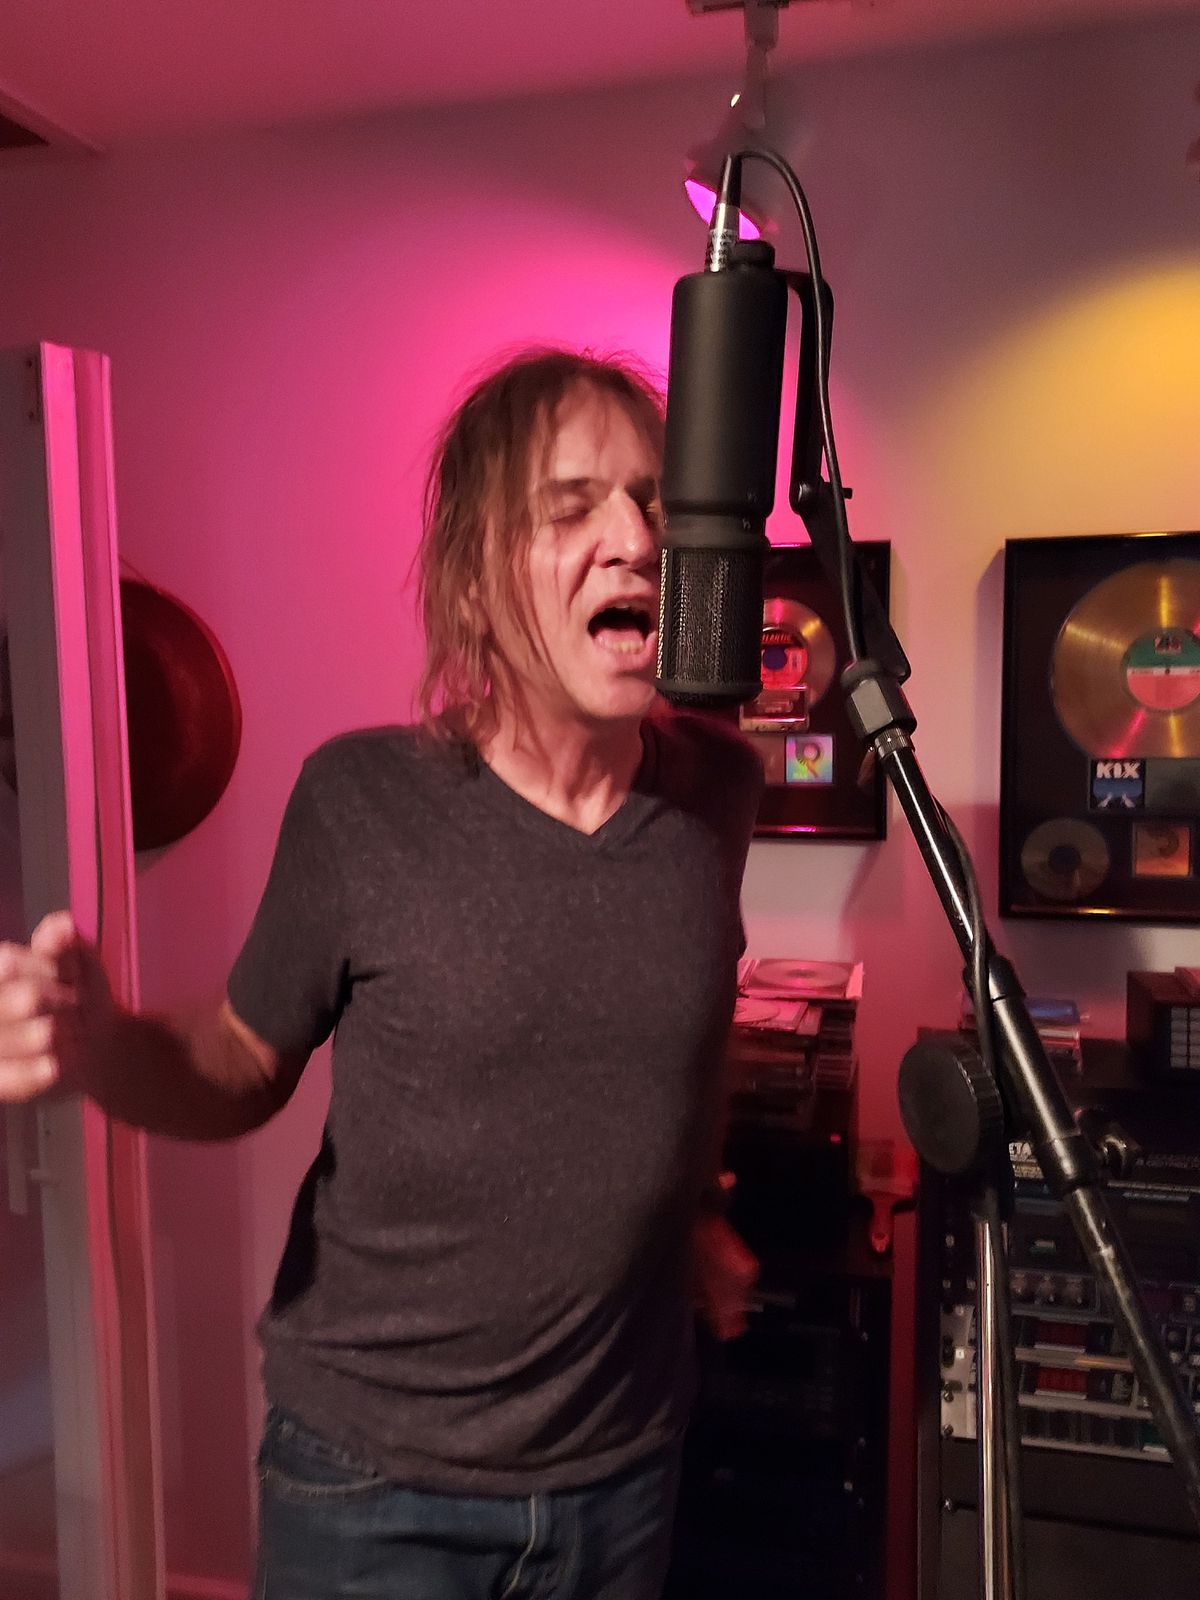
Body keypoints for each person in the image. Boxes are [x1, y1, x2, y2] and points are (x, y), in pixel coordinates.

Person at [0, 347, 764, 1600]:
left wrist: (693, 1212)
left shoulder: (717, 794)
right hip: (376, 1490)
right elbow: (239, 1059)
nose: (636, 539)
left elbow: (685, 1039)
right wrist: (103, 1046)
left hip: (624, 1470)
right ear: (476, 576)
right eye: (572, 508)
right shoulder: (362, 801)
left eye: (654, 504)